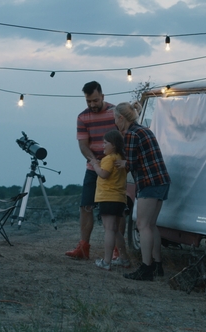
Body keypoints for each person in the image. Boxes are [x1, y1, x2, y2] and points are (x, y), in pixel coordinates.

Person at [66, 81, 123, 260]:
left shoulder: (115, 113)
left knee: (116, 210)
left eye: (95, 100)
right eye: (88, 101)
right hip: (93, 168)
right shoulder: (82, 117)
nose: (92, 105)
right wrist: (95, 161)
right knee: (86, 206)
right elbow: (83, 145)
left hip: (114, 169)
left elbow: (124, 138)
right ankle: (83, 247)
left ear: (103, 96)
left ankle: (117, 249)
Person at [114, 102, 170, 281]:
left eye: (115, 119)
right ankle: (157, 265)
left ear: (121, 118)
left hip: (149, 182)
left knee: (143, 225)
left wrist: (121, 164)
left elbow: (131, 164)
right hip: (161, 181)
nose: (115, 123)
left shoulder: (131, 134)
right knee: (151, 225)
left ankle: (146, 268)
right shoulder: (144, 130)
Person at [88, 129, 130, 270]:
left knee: (109, 230)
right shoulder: (120, 158)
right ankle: (124, 259)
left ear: (114, 144)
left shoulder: (109, 159)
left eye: (105, 143)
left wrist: (95, 165)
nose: (102, 145)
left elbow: (104, 174)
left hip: (108, 197)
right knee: (116, 230)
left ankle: (106, 262)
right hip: (119, 199)